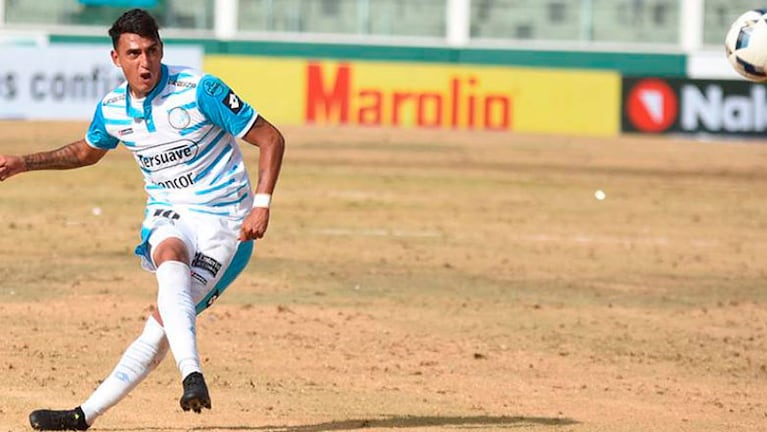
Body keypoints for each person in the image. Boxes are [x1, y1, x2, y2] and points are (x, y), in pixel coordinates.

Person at [0, 8, 285, 431]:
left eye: (152, 51)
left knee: (161, 326)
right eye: (133, 53)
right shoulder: (114, 108)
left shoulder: (199, 90)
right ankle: (192, 374)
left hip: (227, 223)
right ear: (116, 58)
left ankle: (85, 415)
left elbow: (270, 138)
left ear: (161, 50)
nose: (145, 62)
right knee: (169, 258)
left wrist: (261, 204)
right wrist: (24, 162)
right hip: (170, 213)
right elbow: (86, 152)